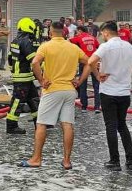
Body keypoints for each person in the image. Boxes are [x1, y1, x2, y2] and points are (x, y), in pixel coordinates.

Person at [19, 21, 89, 170]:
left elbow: (35, 63)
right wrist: (80, 80)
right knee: (67, 124)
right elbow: (89, 62)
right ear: (64, 33)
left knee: (42, 123)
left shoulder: (46, 46)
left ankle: (36, 159)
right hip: (70, 91)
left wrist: (41, 80)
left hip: (52, 90)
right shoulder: (73, 47)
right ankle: (67, 161)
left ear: (50, 33)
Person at [88, 21, 132, 171]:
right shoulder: (129, 46)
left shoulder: (106, 46)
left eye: (103, 34)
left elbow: (90, 61)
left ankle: (114, 161)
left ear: (106, 33)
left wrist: (97, 75)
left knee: (111, 126)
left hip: (108, 91)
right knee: (122, 125)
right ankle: (131, 161)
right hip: (124, 92)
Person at [5, 18, 41, 134]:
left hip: (24, 77)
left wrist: (13, 70)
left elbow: (10, 58)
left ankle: (40, 123)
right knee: (17, 102)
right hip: (23, 77)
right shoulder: (26, 41)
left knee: (34, 99)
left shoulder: (15, 40)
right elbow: (33, 59)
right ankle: (11, 126)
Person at [70, 25, 101, 112]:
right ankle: (97, 107)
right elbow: (98, 47)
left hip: (84, 62)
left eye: (77, 31)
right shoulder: (93, 38)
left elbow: (68, 42)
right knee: (96, 85)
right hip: (94, 62)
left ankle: (84, 106)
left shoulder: (78, 37)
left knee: (83, 84)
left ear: (80, 31)